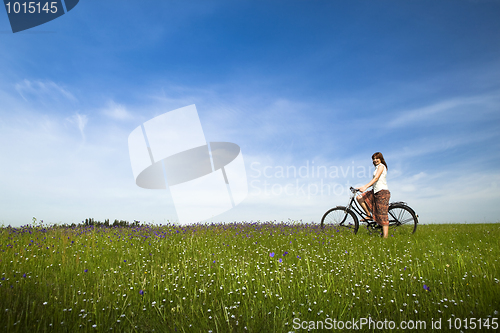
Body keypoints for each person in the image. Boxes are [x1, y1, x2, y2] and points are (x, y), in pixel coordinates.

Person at [356, 152, 391, 238]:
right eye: (374, 159)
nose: (375, 160)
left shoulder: (381, 166)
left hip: (382, 192)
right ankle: (368, 215)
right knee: (359, 197)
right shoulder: (376, 168)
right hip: (375, 191)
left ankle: (385, 237)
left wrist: (365, 187)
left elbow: (376, 178)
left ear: (381, 159)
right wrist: (362, 187)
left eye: (377, 158)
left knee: (383, 214)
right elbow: (374, 181)